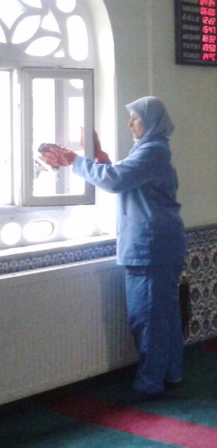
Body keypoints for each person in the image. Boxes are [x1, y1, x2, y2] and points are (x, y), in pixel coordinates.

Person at [42, 96, 186, 401]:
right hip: (159, 243)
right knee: (163, 314)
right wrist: (98, 157)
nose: (130, 124)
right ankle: (170, 374)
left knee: (147, 317)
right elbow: (124, 175)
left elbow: (115, 180)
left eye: (135, 118)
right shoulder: (150, 150)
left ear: (150, 122)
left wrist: (74, 161)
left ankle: (150, 384)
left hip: (151, 245)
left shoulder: (153, 151)